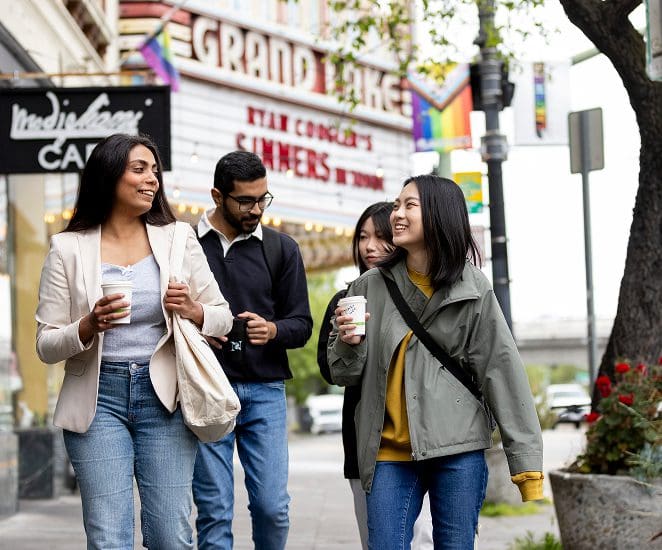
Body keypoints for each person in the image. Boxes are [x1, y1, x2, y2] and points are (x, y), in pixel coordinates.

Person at [35, 133, 234, 549]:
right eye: (139, 169)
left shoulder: (178, 238)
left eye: (155, 171)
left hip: (164, 395)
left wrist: (194, 310)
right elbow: (46, 344)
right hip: (97, 399)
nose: (152, 180)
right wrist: (87, 326)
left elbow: (222, 317)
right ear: (109, 176)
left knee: (170, 536)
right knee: (109, 537)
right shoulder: (67, 248)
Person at [328, 175, 544, 549]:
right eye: (397, 205)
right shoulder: (367, 288)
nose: (397, 214)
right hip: (387, 453)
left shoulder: (474, 287)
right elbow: (343, 374)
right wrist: (348, 343)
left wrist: (526, 464)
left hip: (458, 450)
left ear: (440, 215)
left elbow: (501, 371)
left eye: (409, 205)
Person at [192, 150, 313, 549]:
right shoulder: (186, 245)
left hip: (265, 392)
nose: (256, 208)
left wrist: (274, 330)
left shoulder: (282, 249)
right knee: (213, 510)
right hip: (206, 388)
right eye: (245, 200)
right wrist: (197, 327)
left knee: (272, 507)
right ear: (217, 196)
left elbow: (302, 325)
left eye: (263, 198)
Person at [317, 202, 434, 549]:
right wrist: (352, 344)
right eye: (363, 237)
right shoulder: (346, 299)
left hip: (428, 441)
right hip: (368, 445)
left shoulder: (429, 294)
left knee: (426, 538)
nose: (369, 247)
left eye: (381, 237)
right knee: (378, 541)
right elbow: (330, 371)